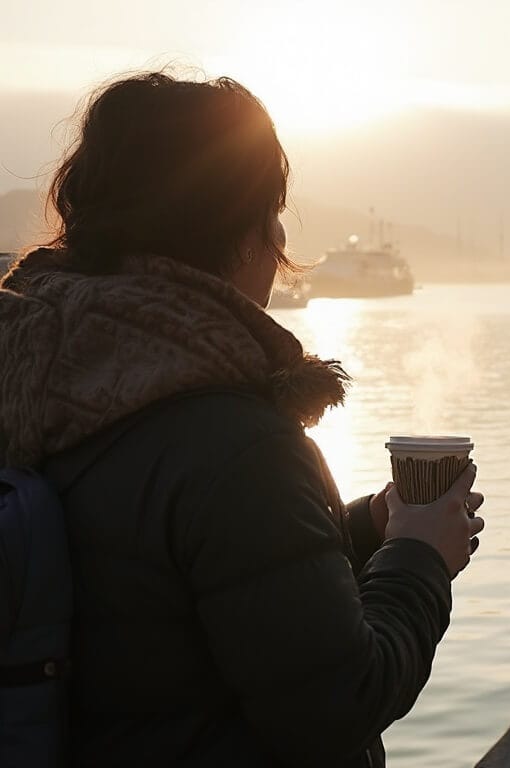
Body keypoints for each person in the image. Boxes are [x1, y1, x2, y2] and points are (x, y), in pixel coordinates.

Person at [0, 72, 485, 767]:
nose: (279, 235)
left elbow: (152, 583)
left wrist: (362, 530)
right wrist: (420, 559)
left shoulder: (43, 374)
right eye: (271, 208)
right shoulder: (235, 443)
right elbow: (340, 699)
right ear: (235, 223)